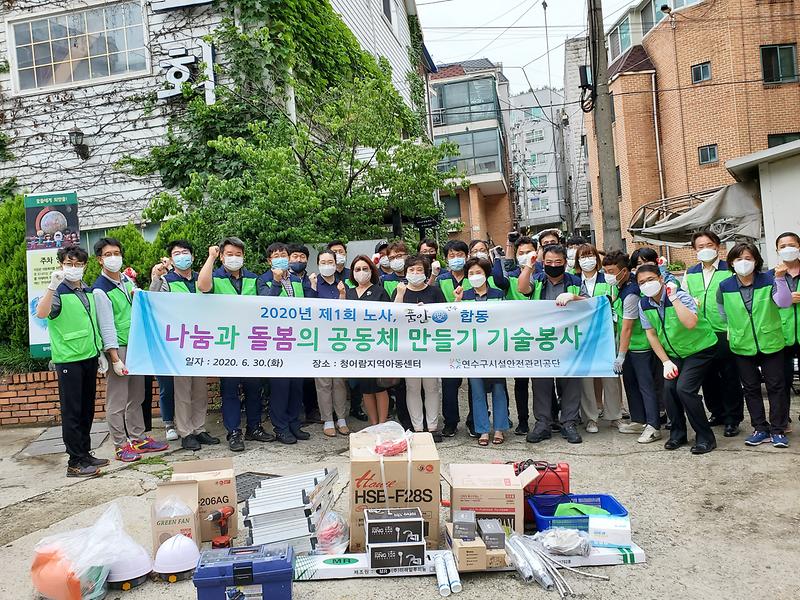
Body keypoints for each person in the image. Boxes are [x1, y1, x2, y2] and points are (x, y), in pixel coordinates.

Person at [92, 238, 169, 462]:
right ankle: (120, 445)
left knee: (137, 396)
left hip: (136, 345)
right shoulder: (100, 289)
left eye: (116, 253)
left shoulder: (126, 280)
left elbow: (144, 302)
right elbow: (106, 326)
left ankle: (138, 438)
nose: (113, 258)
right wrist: (114, 358)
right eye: (108, 254)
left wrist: (155, 279)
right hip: (120, 349)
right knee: (117, 400)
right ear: (100, 260)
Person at [36, 246, 108, 477]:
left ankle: (85, 453)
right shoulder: (57, 290)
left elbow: (91, 323)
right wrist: (51, 286)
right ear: (61, 264)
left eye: (78, 264)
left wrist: (100, 352)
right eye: (69, 264)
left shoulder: (87, 290)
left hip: (89, 355)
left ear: (85, 266)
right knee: (72, 412)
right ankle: (75, 462)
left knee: (87, 409)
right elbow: (41, 313)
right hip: (69, 359)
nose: (73, 268)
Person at [198, 237, 274, 451]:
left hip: (251, 342)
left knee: (253, 388)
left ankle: (254, 427)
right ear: (222, 256)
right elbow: (203, 286)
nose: (234, 258)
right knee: (230, 390)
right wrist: (210, 258)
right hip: (227, 343)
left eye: (238, 255)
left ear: (244, 257)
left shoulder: (253, 278)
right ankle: (234, 432)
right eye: (229, 254)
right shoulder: (215, 277)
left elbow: (266, 303)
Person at [718, 242, 792, 448]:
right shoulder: (725, 286)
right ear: (731, 263)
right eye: (739, 259)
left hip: (770, 342)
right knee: (750, 388)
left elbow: (784, 302)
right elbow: (722, 312)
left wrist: (780, 279)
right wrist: (736, 328)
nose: (743, 262)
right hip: (742, 344)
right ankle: (760, 428)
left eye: (748, 258)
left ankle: (778, 430)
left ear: (756, 261)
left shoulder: (769, 280)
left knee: (776, 387)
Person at [637, 265, 718, 454]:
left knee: (685, 389)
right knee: (669, 389)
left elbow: (690, 323)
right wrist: (665, 361)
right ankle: (678, 434)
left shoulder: (679, 296)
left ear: (661, 279)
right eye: (642, 282)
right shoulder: (644, 304)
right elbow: (651, 334)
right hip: (675, 354)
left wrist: (674, 298)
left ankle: (705, 437)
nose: (647, 284)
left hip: (700, 349)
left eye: (650, 279)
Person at [150, 240, 220, 451]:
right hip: (178, 342)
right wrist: (155, 278)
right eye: (177, 253)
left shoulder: (202, 278)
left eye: (185, 252)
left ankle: (199, 428)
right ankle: (186, 432)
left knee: (200, 390)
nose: (182, 256)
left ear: (192, 256)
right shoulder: (167, 281)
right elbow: (153, 300)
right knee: (182, 390)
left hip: (200, 340)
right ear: (171, 260)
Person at [517, 244, 585, 444]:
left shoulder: (575, 281)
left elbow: (591, 303)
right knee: (541, 383)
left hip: (568, 339)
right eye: (549, 262)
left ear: (565, 262)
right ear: (543, 263)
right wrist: (529, 266)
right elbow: (522, 288)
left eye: (558, 262)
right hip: (542, 340)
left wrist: (574, 297)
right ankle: (543, 424)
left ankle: (569, 423)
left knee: (571, 382)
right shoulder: (538, 279)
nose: (553, 266)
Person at [683, 231, 742, 436]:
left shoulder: (729, 269)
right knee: (707, 377)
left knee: (729, 376)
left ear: (717, 246)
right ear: (695, 250)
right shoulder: (691, 272)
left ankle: (732, 418)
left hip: (724, 330)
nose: (705, 249)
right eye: (700, 246)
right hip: (701, 332)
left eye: (709, 245)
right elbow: (684, 297)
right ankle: (717, 412)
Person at [259, 242, 313, 444]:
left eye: (284, 255)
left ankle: (294, 424)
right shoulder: (263, 280)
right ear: (269, 261)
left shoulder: (297, 280)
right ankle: (280, 427)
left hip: (296, 340)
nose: (281, 258)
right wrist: (276, 281)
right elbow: (265, 305)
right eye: (276, 256)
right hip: (276, 341)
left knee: (296, 386)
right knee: (280, 388)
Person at [604, 251, 661, 442]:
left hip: (640, 346)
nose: (608, 275)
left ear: (624, 271)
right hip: (628, 347)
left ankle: (653, 425)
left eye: (612, 271)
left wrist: (620, 355)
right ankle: (638, 420)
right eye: (606, 271)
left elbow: (628, 327)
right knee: (631, 384)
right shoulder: (621, 287)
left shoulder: (632, 293)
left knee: (646, 386)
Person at [453, 257, 509, 445]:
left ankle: (499, 428)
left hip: (495, 349)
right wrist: (457, 301)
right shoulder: (465, 295)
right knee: (477, 390)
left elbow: (505, 319)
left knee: (499, 388)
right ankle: (483, 430)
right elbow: (456, 321)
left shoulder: (498, 294)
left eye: (479, 272)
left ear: (486, 274)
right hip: (473, 351)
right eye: (471, 273)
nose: (475, 276)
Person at [393, 255, 446, 442]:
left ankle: (432, 427)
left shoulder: (435, 292)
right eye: (411, 270)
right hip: (409, 348)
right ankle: (417, 427)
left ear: (426, 272)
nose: (415, 273)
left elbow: (445, 317)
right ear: (405, 272)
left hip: (430, 347)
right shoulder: (400, 291)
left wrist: (427, 314)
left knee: (432, 387)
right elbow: (393, 317)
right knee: (412, 387)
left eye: (419, 270)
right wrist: (400, 295)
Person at [573, 244, 623, 434]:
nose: (587, 260)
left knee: (610, 376)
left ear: (597, 258)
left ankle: (615, 415)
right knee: (586, 378)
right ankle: (590, 418)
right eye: (583, 256)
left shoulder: (607, 279)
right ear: (577, 261)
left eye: (590, 255)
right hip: (582, 335)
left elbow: (612, 301)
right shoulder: (573, 281)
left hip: (606, 333)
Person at [346, 256, 392, 425]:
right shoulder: (349, 293)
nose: (361, 272)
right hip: (358, 347)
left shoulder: (380, 291)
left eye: (365, 269)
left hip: (377, 346)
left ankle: (382, 423)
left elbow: (389, 317)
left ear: (372, 271)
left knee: (379, 387)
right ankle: (373, 424)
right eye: (357, 269)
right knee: (365, 388)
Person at [311, 251, 350, 437]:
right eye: (323, 262)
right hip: (320, 339)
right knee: (323, 382)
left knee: (340, 381)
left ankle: (341, 418)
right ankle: (327, 419)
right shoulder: (312, 283)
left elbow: (349, 311)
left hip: (340, 338)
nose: (327, 265)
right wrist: (312, 288)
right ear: (318, 264)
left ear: (336, 264)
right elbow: (308, 309)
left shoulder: (344, 284)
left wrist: (342, 294)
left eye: (330, 262)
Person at [502, 234, 538, 435]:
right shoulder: (511, 275)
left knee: (543, 380)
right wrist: (507, 246)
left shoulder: (544, 274)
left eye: (529, 251)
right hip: (519, 336)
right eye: (521, 253)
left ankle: (548, 417)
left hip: (543, 335)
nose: (525, 255)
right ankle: (523, 420)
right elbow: (500, 275)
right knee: (521, 381)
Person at [435, 240, 470, 437]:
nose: (456, 259)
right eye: (452, 255)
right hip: (448, 338)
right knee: (449, 383)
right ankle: (450, 421)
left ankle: (474, 420)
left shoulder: (475, 276)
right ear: (446, 259)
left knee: (475, 383)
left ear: (466, 256)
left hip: (473, 337)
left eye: (460, 255)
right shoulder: (441, 280)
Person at [772, 232, 800, 423]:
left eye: (792, 245)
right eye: (783, 246)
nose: (787, 249)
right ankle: (782, 420)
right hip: (780, 335)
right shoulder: (770, 275)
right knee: (781, 381)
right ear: (777, 250)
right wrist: (785, 298)